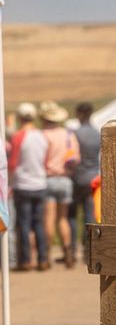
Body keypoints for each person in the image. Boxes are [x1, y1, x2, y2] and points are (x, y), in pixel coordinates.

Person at [8, 102, 48, 270]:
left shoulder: (18, 136)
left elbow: (13, 163)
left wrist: (9, 183)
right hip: (40, 183)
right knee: (38, 223)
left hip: (23, 184)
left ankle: (25, 260)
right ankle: (43, 259)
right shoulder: (41, 136)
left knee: (23, 224)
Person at [39, 101, 79, 267]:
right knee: (63, 218)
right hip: (65, 179)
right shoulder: (68, 134)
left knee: (48, 218)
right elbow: (76, 158)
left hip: (48, 178)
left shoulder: (42, 135)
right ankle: (67, 252)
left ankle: (46, 255)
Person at [70, 102, 101, 255]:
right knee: (90, 215)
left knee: (72, 214)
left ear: (80, 114)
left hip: (77, 178)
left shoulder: (75, 133)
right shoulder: (97, 133)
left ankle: (72, 249)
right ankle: (89, 249)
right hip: (93, 178)